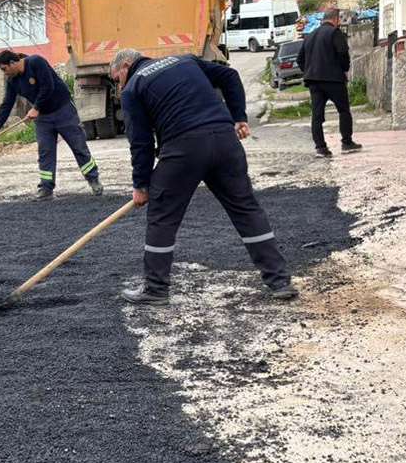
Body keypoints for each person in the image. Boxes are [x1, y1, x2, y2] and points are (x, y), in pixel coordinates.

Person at [107, 49, 297, 305]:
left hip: (183, 150)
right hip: (224, 142)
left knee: (162, 216)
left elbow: (140, 142)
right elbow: (229, 75)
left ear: (126, 65)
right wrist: (238, 116)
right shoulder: (184, 59)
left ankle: (155, 289)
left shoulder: (134, 87)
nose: (120, 86)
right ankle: (280, 282)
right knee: (246, 209)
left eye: (117, 78)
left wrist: (141, 185)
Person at [0, 50, 102, 201]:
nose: (4, 73)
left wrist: (36, 108)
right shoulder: (12, 81)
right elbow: (6, 104)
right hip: (43, 119)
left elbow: (48, 86)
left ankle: (93, 180)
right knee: (45, 152)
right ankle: (46, 188)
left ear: (13, 63)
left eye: (4, 69)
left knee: (78, 146)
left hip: (63, 110)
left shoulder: (36, 62)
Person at [297, 7, 363, 158]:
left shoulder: (310, 35)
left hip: (313, 80)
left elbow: (299, 59)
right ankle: (347, 143)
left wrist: (308, 71)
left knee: (317, 115)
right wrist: (344, 68)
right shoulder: (335, 33)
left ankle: (321, 148)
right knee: (343, 110)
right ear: (335, 19)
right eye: (339, 20)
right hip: (333, 79)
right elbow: (342, 53)